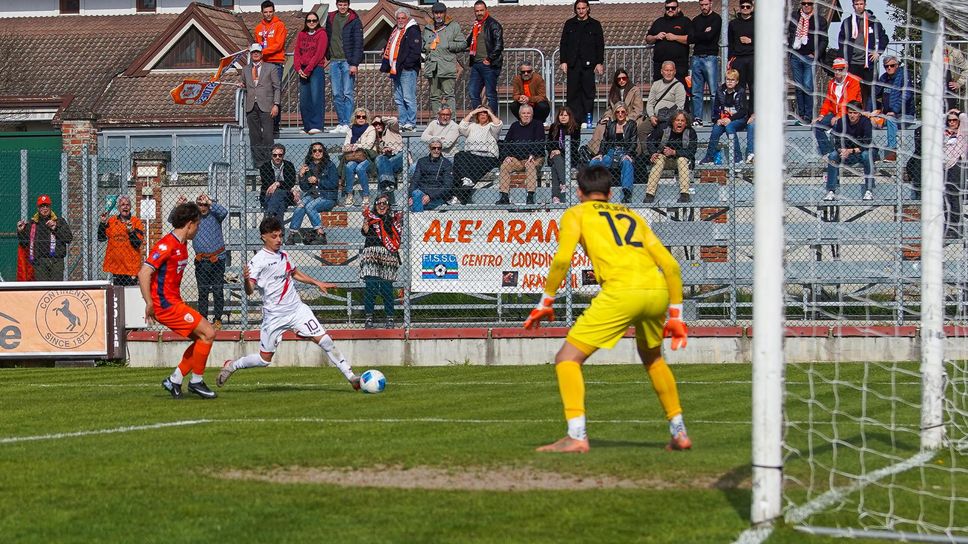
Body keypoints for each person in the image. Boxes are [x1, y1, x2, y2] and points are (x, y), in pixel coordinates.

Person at [524, 165, 691, 454]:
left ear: (579, 192)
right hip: (657, 290)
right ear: (610, 193)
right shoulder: (631, 214)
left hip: (622, 291)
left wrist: (546, 301)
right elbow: (672, 265)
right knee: (653, 359)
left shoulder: (576, 213)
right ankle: (679, 432)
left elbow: (563, 260)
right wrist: (676, 314)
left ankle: (576, 436)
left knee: (567, 358)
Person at [216, 216, 361, 391]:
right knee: (264, 360)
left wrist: (317, 283)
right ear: (263, 236)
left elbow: (295, 274)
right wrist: (246, 280)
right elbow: (249, 291)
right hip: (274, 316)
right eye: (274, 236)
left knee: (325, 341)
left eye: (280, 236)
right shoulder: (258, 261)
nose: (278, 240)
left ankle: (351, 377)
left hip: (297, 310)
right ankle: (232, 365)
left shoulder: (284, 255)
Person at [139, 202, 217, 400]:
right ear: (190, 224)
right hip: (165, 305)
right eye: (197, 225)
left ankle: (175, 379)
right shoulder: (167, 244)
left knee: (202, 339)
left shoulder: (182, 245)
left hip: (174, 302)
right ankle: (196, 381)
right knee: (208, 332)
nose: (198, 229)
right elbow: (144, 272)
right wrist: (149, 302)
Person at [559, 0, 605, 125]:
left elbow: (600, 45)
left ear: (588, 8)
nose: (581, 11)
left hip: (588, 66)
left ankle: (586, 120)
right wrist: (563, 61)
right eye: (578, 8)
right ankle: (573, 120)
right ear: (575, 9)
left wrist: (599, 62)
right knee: (572, 94)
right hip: (573, 64)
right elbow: (563, 43)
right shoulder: (569, 24)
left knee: (588, 93)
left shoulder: (595, 24)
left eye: (583, 8)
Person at [361, 194, 403, 329]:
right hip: (371, 253)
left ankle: (390, 318)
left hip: (388, 255)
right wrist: (366, 221)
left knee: (386, 288)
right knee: (371, 286)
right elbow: (365, 231)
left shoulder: (392, 220)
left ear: (388, 206)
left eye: (385, 203)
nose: (382, 205)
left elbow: (396, 236)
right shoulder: (371, 218)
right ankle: (368, 317)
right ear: (375, 205)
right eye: (379, 203)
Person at [837, 0, 888, 110]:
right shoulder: (847, 22)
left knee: (871, 90)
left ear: (865, 5)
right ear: (853, 6)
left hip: (868, 63)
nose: (859, 6)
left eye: (861, 4)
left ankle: (870, 114)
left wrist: (878, 52)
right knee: (853, 90)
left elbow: (884, 38)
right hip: (852, 63)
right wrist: (843, 60)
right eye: (856, 4)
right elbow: (841, 42)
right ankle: (853, 113)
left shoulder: (873, 21)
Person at [190, 194, 228, 330]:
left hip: (218, 258)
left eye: (205, 204)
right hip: (201, 260)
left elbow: (224, 212)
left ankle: (218, 319)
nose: (203, 207)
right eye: (200, 204)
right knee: (203, 292)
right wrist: (179, 205)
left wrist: (210, 202)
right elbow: (172, 219)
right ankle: (203, 319)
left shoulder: (215, 214)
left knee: (218, 290)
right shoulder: (193, 217)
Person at [326, 0, 364, 134]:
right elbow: (327, 36)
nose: (342, 7)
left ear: (348, 5)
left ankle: (347, 123)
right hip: (334, 61)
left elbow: (359, 43)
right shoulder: (330, 17)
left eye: (345, 5)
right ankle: (341, 122)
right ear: (337, 5)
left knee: (348, 93)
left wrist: (354, 63)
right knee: (336, 94)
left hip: (347, 61)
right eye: (340, 4)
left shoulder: (354, 20)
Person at [786, 0, 827, 124]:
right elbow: (787, 34)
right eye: (804, 3)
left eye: (809, 3)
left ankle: (808, 116)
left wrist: (816, 55)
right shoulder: (794, 17)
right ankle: (801, 115)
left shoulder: (819, 20)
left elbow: (824, 40)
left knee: (808, 86)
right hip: (795, 56)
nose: (807, 6)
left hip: (810, 58)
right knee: (799, 87)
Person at [824, 101, 874, 201]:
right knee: (832, 156)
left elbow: (867, 143)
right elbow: (837, 141)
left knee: (866, 155)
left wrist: (850, 151)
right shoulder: (842, 121)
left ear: (860, 113)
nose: (852, 115)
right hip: (844, 153)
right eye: (850, 112)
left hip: (859, 152)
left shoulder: (866, 122)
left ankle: (869, 190)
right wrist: (841, 151)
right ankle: (831, 191)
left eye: (855, 113)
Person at [496, 104, 546, 205]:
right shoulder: (514, 126)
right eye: (524, 113)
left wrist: (532, 155)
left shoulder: (538, 125)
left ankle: (530, 195)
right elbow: (506, 143)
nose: (526, 115)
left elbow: (540, 142)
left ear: (532, 115)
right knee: (505, 166)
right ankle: (504, 196)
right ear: (519, 114)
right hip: (517, 159)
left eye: (528, 113)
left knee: (530, 165)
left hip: (534, 157)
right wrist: (507, 156)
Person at [381, 8, 421, 132]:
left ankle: (411, 122)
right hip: (395, 69)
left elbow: (415, 50)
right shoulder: (395, 30)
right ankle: (403, 122)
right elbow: (391, 44)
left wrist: (406, 64)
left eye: (403, 18)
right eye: (398, 18)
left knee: (408, 97)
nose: (400, 20)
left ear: (407, 18)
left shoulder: (413, 30)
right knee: (399, 98)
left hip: (406, 69)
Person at [290, 143, 339, 244]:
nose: (317, 152)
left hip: (328, 197)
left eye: (320, 150)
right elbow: (304, 188)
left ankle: (321, 235)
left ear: (323, 152)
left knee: (310, 207)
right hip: (312, 195)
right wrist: (301, 175)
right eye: (314, 150)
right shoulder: (309, 166)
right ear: (311, 153)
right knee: (300, 205)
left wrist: (318, 181)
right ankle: (292, 234)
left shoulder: (330, 165)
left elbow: (334, 184)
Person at [588, 102, 637, 204]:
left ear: (626, 113)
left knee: (627, 163)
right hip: (611, 153)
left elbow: (633, 142)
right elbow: (604, 140)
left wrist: (628, 154)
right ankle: (595, 191)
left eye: (623, 112)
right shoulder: (611, 125)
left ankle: (626, 194)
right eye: (618, 112)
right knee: (594, 163)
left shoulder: (632, 125)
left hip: (624, 152)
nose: (620, 114)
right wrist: (600, 153)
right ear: (614, 113)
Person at [422, 2, 466, 115]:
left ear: (445, 13)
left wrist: (448, 45)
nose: (438, 15)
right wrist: (426, 47)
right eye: (436, 13)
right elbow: (422, 45)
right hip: (432, 67)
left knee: (449, 95)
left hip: (447, 66)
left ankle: (451, 121)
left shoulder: (453, 26)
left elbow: (463, 44)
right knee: (434, 96)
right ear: (433, 14)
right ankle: (437, 120)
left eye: (441, 12)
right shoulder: (428, 28)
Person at [17, 194, 73, 282]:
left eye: (46, 206)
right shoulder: (32, 223)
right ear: (38, 208)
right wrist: (21, 231)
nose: (44, 209)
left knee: (56, 287)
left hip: (56, 261)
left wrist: (55, 228)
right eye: (42, 206)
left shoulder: (59, 221)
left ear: (50, 207)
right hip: (39, 262)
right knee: (42, 288)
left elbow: (68, 238)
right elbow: (24, 243)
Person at [241, 43, 280, 168]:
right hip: (251, 105)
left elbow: (277, 87)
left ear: (262, 54)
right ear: (251, 54)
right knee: (254, 135)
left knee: (268, 135)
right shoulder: (245, 69)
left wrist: (276, 104)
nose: (255, 54)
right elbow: (244, 83)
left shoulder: (270, 67)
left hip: (267, 105)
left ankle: (269, 162)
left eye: (257, 52)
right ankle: (258, 163)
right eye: (253, 52)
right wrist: (241, 85)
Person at [699, 69, 750, 165]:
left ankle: (737, 158)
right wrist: (717, 119)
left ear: (737, 81)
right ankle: (709, 157)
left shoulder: (741, 91)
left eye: (732, 80)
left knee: (729, 127)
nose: (730, 82)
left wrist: (730, 119)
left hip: (738, 119)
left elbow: (743, 111)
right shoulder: (720, 90)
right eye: (728, 79)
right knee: (716, 129)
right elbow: (716, 108)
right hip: (723, 118)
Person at [645, 110, 698, 203]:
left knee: (682, 160)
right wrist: (653, 152)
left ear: (686, 123)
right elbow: (650, 140)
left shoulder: (691, 132)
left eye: (682, 121)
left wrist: (674, 152)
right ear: (673, 121)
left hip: (681, 161)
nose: (680, 123)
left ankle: (684, 195)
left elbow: (691, 151)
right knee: (659, 159)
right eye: (677, 120)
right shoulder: (663, 128)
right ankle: (650, 194)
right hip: (664, 159)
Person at [453, 107, 502, 205]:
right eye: (480, 113)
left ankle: (458, 196)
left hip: (487, 156)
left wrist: (489, 112)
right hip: (471, 154)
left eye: (485, 113)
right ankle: (467, 181)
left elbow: (498, 124)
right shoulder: (472, 126)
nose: (483, 115)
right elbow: (461, 128)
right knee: (459, 155)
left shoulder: (491, 127)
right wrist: (472, 112)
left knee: (463, 170)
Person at [814, 58, 862, 156]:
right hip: (835, 114)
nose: (837, 72)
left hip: (849, 114)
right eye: (835, 69)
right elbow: (827, 101)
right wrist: (822, 114)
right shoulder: (832, 83)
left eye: (840, 69)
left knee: (837, 125)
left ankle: (838, 153)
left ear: (846, 69)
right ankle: (828, 152)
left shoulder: (853, 81)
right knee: (817, 125)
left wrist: (838, 116)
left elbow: (849, 103)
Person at [871, 55, 915, 162]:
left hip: (905, 115)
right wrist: (869, 111)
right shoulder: (884, 78)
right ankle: (873, 153)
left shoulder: (904, 76)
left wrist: (894, 111)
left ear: (897, 65)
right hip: (888, 115)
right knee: (869, 121)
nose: (889, 68)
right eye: (886, 66)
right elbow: (873, 94)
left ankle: (892, 151)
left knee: (891, 119)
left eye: (892, 65)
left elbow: (906, 95)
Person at [590, 69, 644, 156]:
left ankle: (634, 153)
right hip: (615, 117)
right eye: (619, 79)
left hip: (631, 117)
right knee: (601, 126)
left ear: (627, 78)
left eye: (624, 78)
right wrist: (607, 117)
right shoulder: (613, 91)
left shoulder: (635, 90)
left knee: (632, 127)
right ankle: (596, 153)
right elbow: (609, 109)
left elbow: (638, 109)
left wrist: (626, 118)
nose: (621, 81)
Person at [254, 1, 286, 137]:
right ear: (262, 12)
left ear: (274, 11)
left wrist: (263, 51)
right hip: (263, 64)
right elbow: (257, 45)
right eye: (265, 12)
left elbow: (279, 45)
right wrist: (261, 53)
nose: (268, 14)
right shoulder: (258, 28)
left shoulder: (280, 25)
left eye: (270, 11)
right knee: (263, 93)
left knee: (275, 93)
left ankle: (275, 125)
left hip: (276, 63)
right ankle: (265, 124)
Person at [97, 195, 144, 286]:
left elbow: (137, 244)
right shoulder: (112, 221)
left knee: (129, 295)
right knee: (117, 296)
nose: (125, 207)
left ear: (130, 207)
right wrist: (102, 223)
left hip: (131, 268)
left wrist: (131, 232)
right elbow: (101, 238)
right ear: (118, 208)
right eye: (122, 205)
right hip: (116, 267)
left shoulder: (136, 222)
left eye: (127, 204)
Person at [294, 11, 328, 135]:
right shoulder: (301, 34)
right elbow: (297, 52)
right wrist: (298, 68)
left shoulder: (322, 34)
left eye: (314, 20)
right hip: (303, 69)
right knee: (304, 99)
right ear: (306, 22)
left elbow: (319, 54)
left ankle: (317, 125)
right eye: (309, 21)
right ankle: (307, 125)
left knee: (316, 97)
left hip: (315, 68)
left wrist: (308, 69)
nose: (311, 23)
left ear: (318, 22)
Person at [466, 0, 503, 111]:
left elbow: (499, 45)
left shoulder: (494, 24)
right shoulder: (476, 25)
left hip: (489, 65)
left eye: (481, 10)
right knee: (473, 92)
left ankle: (492, 121)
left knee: (490, 94)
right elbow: (468, 42)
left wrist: (489, 58)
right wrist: (453, 47)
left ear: (486, 10)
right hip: (476, 64)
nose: (479, 13)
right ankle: (479, 117)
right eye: (477, 11)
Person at [690, 0, 722, 126]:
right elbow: (691, 38)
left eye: (706, 4)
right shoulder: (696, 20)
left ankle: (715, 117)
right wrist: (704, 32)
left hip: (710, 57)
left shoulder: (716, 19)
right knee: (696, 91)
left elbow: (711, 37)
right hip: (696, 57)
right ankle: (697, 118)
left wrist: (700, 34)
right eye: (701, 5)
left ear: (711, 4)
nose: (703, 7)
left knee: (714, 91)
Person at [646, 0, 690, 84]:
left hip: (679, 65)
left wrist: (675, 37)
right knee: (659, 91)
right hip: (660, 64)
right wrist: (656, 36)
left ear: (678, 8)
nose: (670, 9)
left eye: (673, 8)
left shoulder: (685, 21)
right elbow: (648, 39)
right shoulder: (658, 21)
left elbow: (690, 39)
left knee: (679, 90)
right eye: (667, 8)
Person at [342, 108, 377, 206]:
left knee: (360, 168)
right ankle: (349, 194)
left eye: (363, 117)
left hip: (367, 156)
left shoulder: (371, 129)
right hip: (353, 156)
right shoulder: (350, 129)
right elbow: (345, 145)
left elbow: (369, 145)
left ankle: (366, 196)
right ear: (355, 118)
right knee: (349, 166)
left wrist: (356, 146)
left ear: (367, 118)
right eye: (358, 117)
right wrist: (348, 147)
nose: (361, 119)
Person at [547, 107, 582, 204]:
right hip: (554, 156)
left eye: (566, 115)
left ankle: (555, 196)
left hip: (570, 157)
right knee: (556, 159)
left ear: (569, 117)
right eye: (561, 115)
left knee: (555, 167)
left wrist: (560, 151)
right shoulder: (554, 127)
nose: (563, 117)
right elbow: (549, 143)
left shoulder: (575, 127)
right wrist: (553, 151)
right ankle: (565, 184)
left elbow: (575, 146)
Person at [943, 110, 968, 237]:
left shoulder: (962, 134)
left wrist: (957, 112)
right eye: (950, 120)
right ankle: (947, 226)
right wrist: (945, 114)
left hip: (956, 166)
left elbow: (965, 119)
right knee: (944, 199)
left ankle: (956, 228)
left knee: (954, 197)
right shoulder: (944, 133)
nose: (952, 122)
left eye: (954, 120)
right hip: (943, 167)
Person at [410, 140, 454, 211]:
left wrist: (430, 196)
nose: (436, 150)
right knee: (416, 193)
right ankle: (418, 216)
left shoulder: (446, 163)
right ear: (429, 148)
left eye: (439, 148)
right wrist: (411, 197)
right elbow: (415, 180)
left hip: (437, 195)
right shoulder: (422, 161)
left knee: (416, 204)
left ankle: (416, 218)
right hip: (422, 193)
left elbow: (447, 186)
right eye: (434, 148)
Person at [645, 61, 687, 134]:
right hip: (655, 117)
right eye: (666, 70)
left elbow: (679, 106)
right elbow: (650, 103)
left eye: (671, 70)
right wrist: (651, 116)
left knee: (661, 130)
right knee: (641, 129)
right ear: (662, 71)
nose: (669, 73)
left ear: (675, 72)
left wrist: (668, 118)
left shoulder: (679, 86)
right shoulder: (656, 84)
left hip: (670, 118)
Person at [260, 143, 297, 221]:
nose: (277, 157)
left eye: (280, 155)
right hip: (268, 195)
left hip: (286, 196)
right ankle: (280, 232)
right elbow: (267, 184)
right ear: (271, 155)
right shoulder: (264, 166)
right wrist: (282, 184)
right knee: (281, 204)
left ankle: (270, 215)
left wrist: (277, 183)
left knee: (279, 192)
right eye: (275, 155)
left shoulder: (289, 165)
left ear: (283, 155)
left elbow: (291, 182)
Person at [727, 1, 755, 103]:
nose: (745, 8)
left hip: (753, 57)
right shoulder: (733, 24)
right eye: (743, 6)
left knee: (754, 87)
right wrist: (729, 60)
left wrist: (751, 41)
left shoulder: (758, 22)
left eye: (748, 6)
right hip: (738, 59)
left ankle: (753, 113)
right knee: (739, 88)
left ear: (752, 8)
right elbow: (731, 43)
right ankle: (741, 112)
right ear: (739, 7)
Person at [373, 115, 406, 194]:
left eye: (379, 123)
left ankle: (385, 189)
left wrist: (381, 118)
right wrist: (385, 151)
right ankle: (388, 186)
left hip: (400, 156)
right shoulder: (374, 139)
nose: (377, 125)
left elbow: (394, 120)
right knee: (380, 159)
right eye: (375, 124)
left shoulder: (391, 129)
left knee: (383, 167)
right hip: (387, 161)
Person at [945, 45, 968, 112]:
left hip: (949, 87)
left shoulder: (955, 53)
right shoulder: (929, 51)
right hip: (933, 88)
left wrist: (959, 83)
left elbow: (966, 68)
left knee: (949, 113)